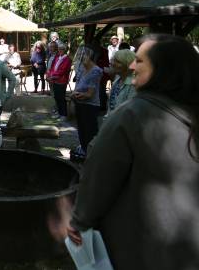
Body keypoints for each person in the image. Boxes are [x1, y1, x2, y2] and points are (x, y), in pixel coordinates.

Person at [67, 34, 199, 270]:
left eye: (139, 61)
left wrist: (79, 220)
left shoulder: (133, 114)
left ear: (161, 69)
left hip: (141, 246)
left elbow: (100, 176)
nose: (131, 65)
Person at [71, 46, 102, 159]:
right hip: (80, 104)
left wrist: (77, 95)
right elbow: (77, 87)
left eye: (81, 56)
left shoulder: (96, 71)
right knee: (81, 130)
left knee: (90, 131)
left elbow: (90, 94)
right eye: (78, 56)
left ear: (88, 57)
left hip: (90, 106)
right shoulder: (82, 69)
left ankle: (92, 155)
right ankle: (84, 150)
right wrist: (74, 94)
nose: (79, 59)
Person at [105, 49, 136, 116]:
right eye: (113, 60)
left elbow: (129, 112)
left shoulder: (133, 85)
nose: (113, 63)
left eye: (118, 62)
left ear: (127, 65)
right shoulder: (118, 80)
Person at [46, 43, 71, 119]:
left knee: (61, 98)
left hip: (62, 81)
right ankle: (59, 113)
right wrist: (50, 75)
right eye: (59, 49)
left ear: (65, 50)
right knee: (57, 97)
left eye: (62, 49)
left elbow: (62, 71)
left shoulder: (67, 59)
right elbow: (52, 68)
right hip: (55, 80)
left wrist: (52, 76)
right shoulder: (57, 57)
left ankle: (64, 114)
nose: (60, 50)